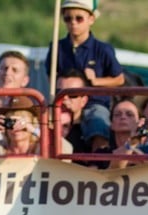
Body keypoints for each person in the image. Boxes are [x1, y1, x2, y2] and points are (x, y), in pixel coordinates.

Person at [45, 0, 124, 153]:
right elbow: (51, 77)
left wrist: (96, 81)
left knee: (98, 122)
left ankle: (98, 161)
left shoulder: (103, 49)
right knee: (44, 123)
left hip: (94, 102)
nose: (73, 23)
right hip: (63, 102)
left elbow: (119, 79)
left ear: (91, 19)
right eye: (68, 18)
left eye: (79, 18)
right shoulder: (56, 47)